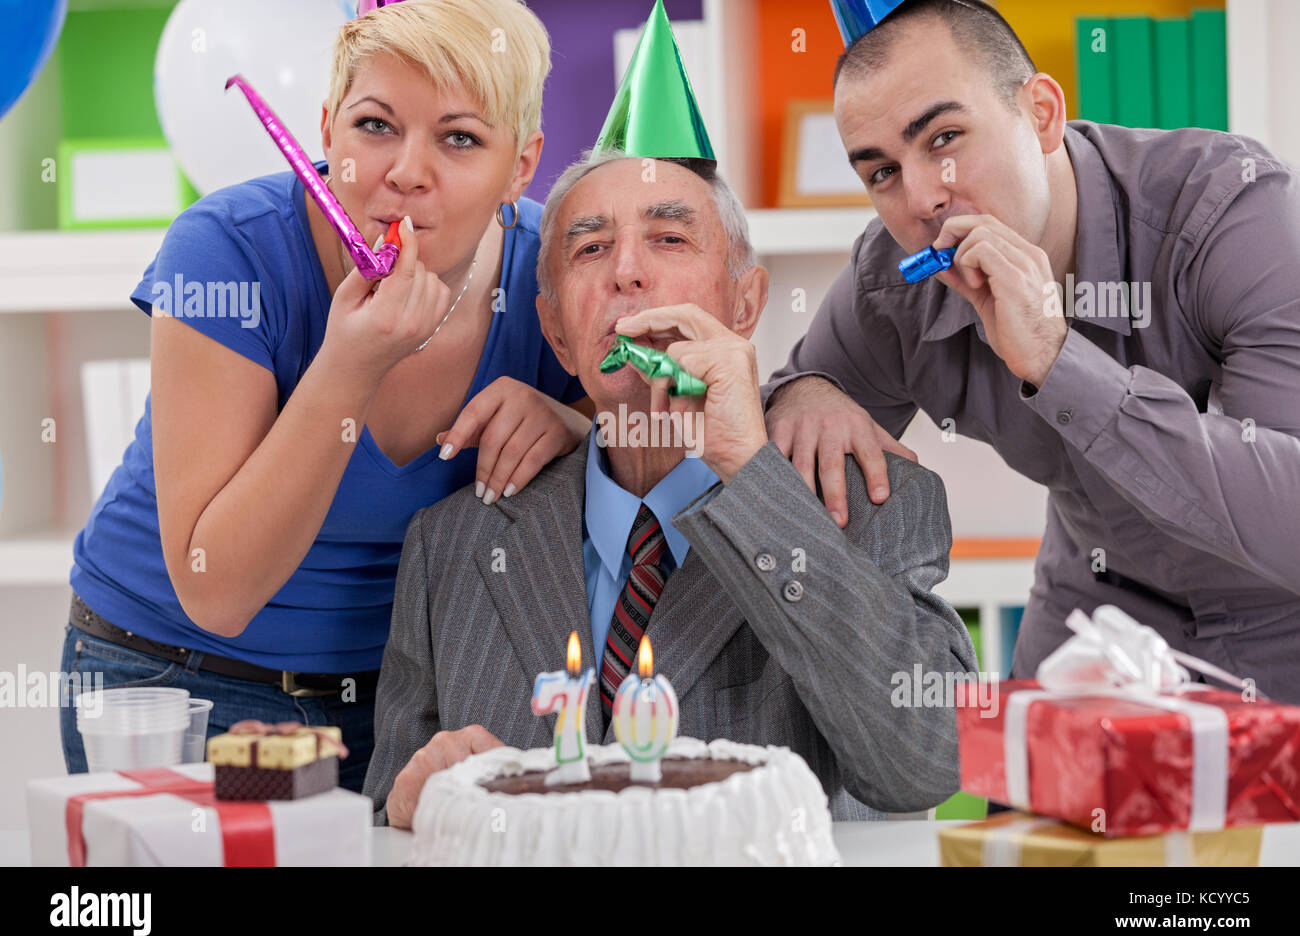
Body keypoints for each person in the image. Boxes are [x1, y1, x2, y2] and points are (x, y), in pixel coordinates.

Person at [62, 0, 594, 789]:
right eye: (375, 126)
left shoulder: (553, 265)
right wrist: (348, 369)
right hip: (171, 684)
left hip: (406, 701)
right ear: (326, 130)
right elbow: (219, 591)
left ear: (521, 164)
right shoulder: (225, 250)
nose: (406, 171)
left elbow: (660, 423)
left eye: (460, 138)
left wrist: (574, 423)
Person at [362, 152, 977, 827]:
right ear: (558, 335)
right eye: (592, 248)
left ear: (745, 306)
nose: (627, 271)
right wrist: (405, 803)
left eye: (670, 239)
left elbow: (928, 761)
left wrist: (748, 466)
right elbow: (393, 809)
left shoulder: (866, 502)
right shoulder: (451, 544)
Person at [763, 0, 1300, 702]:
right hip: (1092, 628)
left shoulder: (1233, 211)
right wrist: (804, 393)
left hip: (1282, 635)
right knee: (1016, 815)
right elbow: (789, 407)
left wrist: (1057, 358)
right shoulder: (892, 286)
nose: (923, 197)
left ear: (1042, 114)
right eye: (881, 173)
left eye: (945, 137)